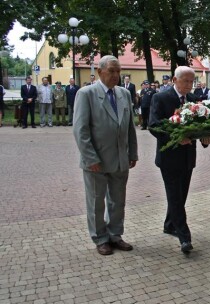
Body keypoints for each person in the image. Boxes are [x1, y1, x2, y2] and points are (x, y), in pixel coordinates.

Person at [72, 55, 138, 255]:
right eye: (112, 71)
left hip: (120, 159)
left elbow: (130, 127)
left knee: (118, 200)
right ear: (100, 72)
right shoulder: (86, 94)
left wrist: (132, 153)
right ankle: (100, 238)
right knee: (96, 201)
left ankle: (115, 235)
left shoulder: (124, 94)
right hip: (96, 161)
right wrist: (90, 158)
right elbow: (80, 130)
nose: (116, 75)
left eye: (118, 71)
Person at [149, 66, 210, 254]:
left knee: (181, 196)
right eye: (185, 81)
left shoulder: (194, 100)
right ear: (175, 80)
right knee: (175, 198)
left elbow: (203, 125)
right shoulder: (160, 98)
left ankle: (169, 225)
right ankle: (185, 237)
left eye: (192, 81)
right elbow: (153, 125)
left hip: (187, 158)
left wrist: (206, 138)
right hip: (169, 157)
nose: (189, 85)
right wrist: (176, 137)